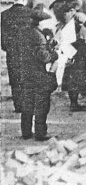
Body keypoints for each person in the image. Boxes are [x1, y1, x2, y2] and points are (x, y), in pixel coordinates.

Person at [19, 10, 58, 140]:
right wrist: (54, 54)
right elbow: (43, 57)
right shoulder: (38, 36)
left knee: (27, 103)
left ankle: (26, 132)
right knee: (42, 104)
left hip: (26, 73)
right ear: (42, 22)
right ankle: (40, 133)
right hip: (39, 74)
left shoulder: (26, 32)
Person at [1, 0, 34, 116]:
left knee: (14, 77)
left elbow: (3, 40)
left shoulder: (4, 15)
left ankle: (18, 104)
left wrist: (9, 48)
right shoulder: (31, 13)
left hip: (12, 52)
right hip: (28, 51)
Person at [61, 12, 86, 112]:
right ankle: (74, 104)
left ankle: (73, 103)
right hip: (81, 59)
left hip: (71, 59)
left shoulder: (67, 30)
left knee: (72, 82)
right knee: (79, 80)